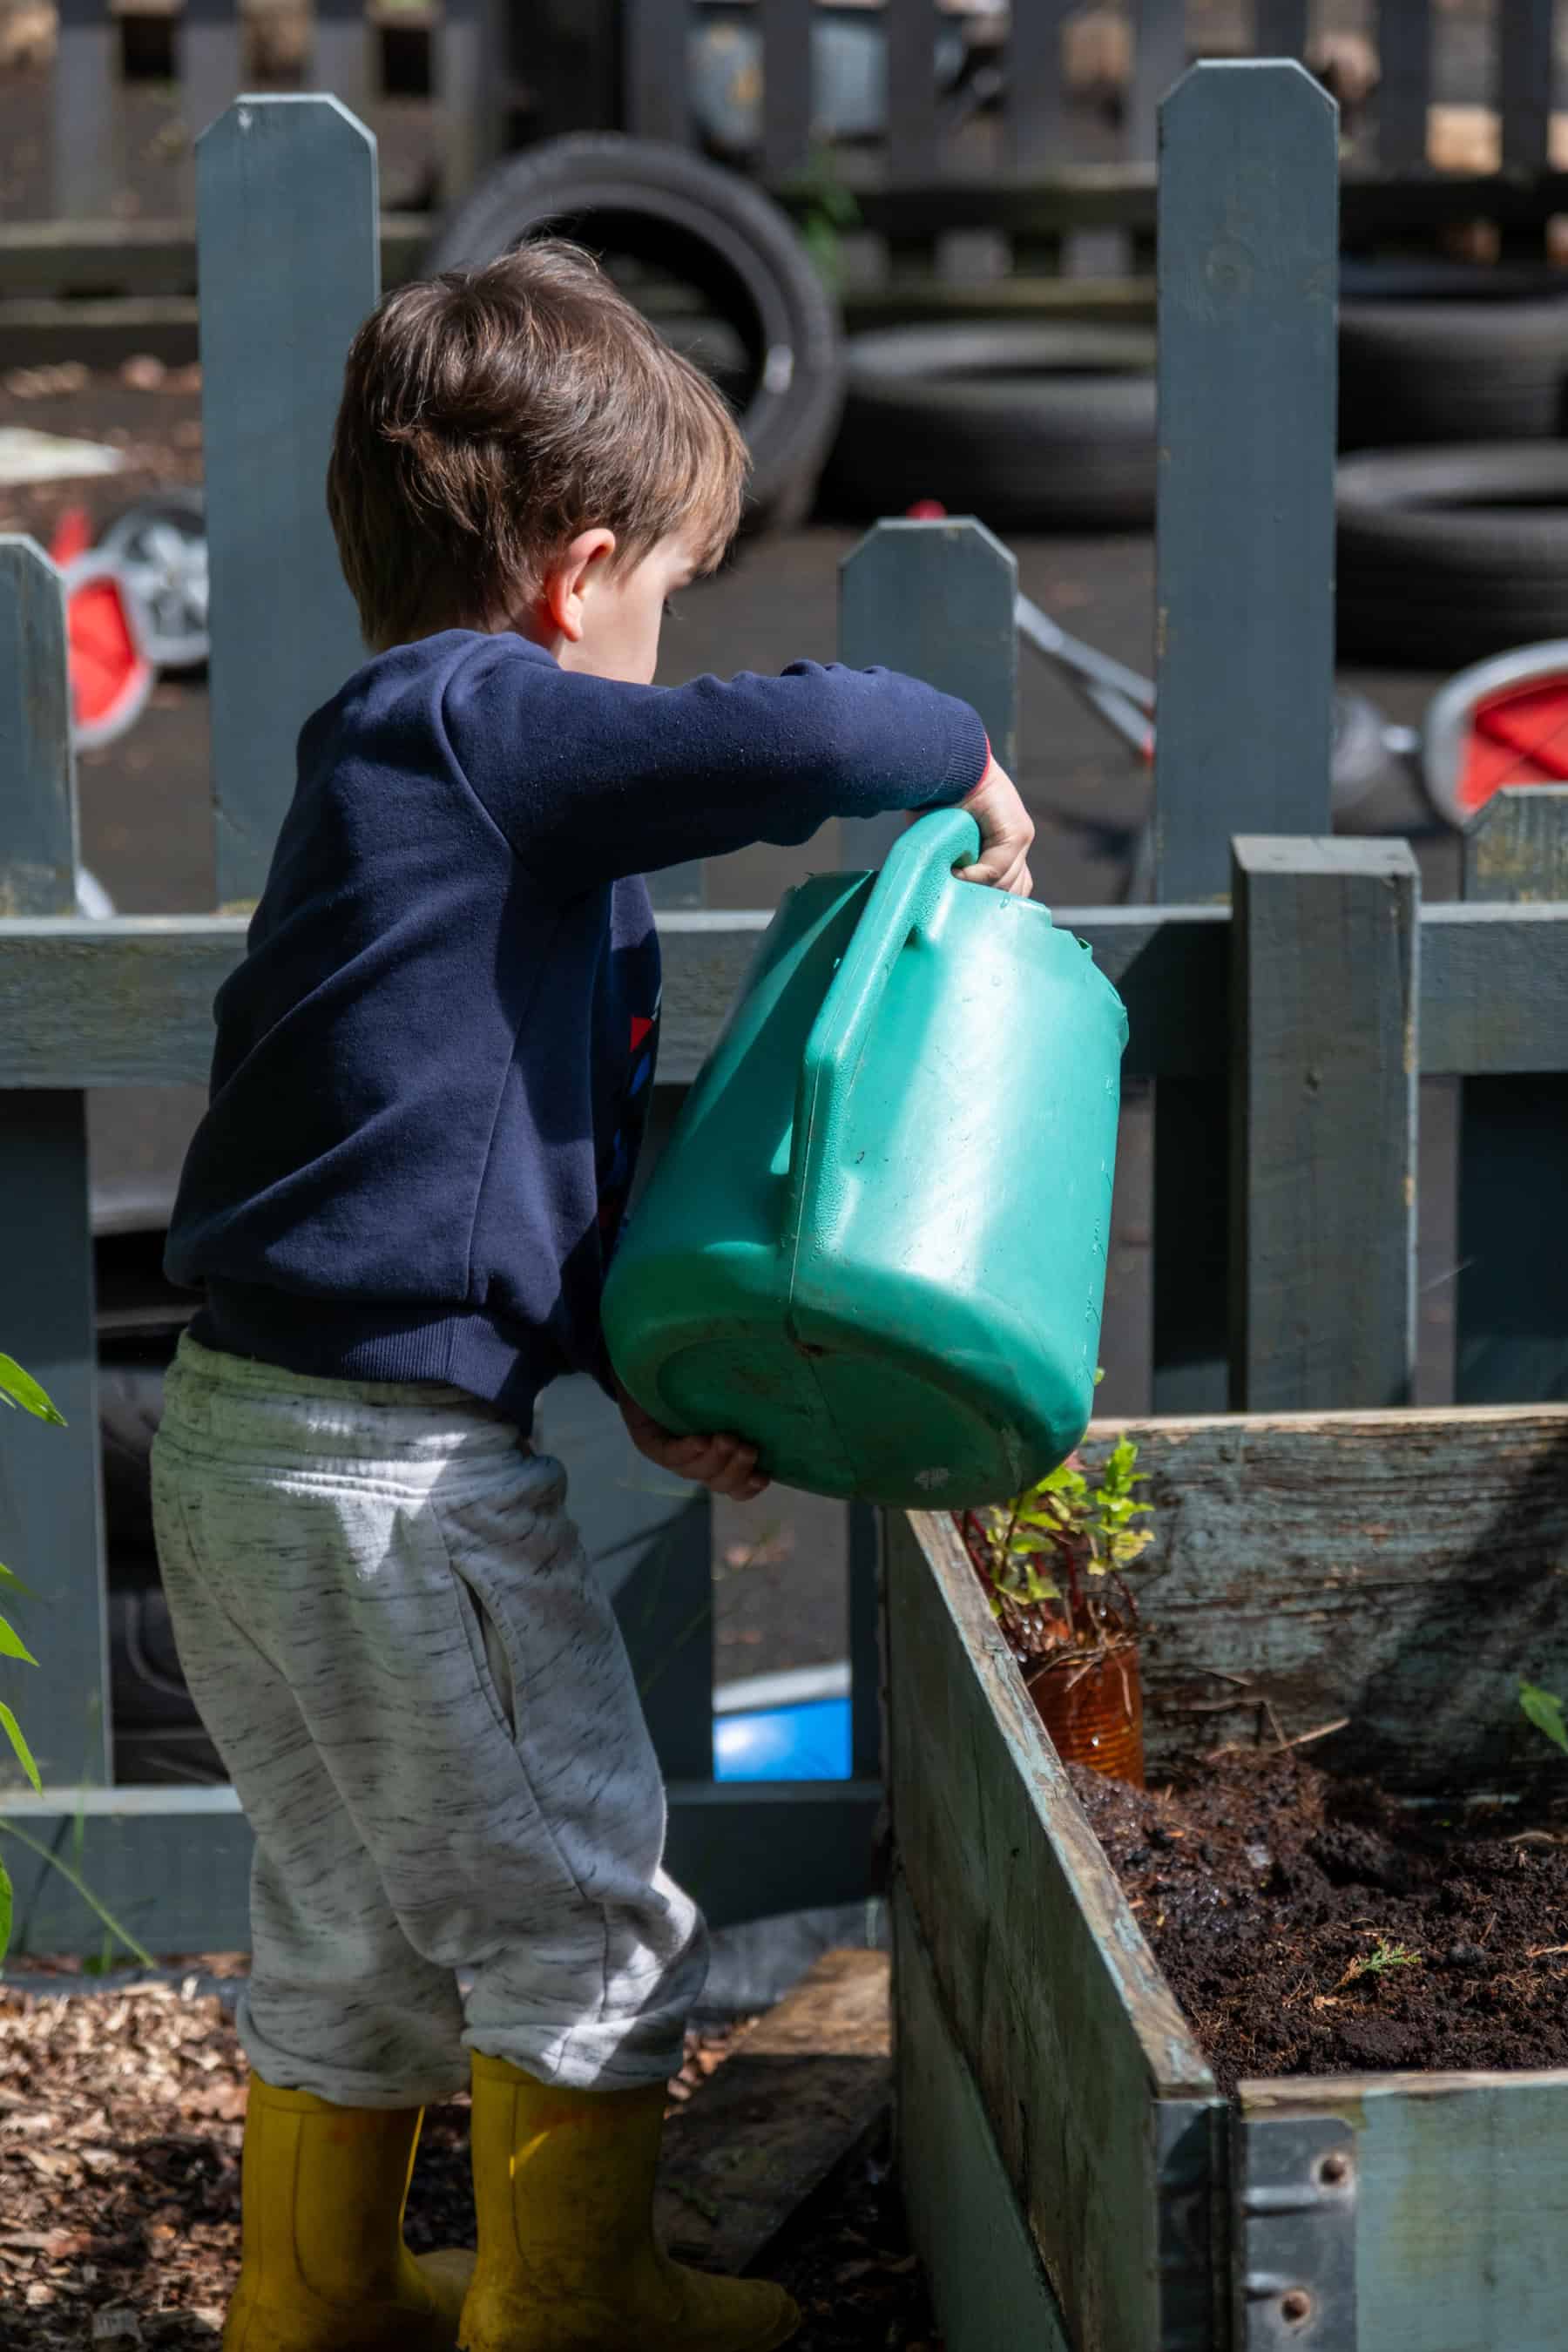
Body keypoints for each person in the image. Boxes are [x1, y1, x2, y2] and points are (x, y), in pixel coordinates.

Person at [151, 238, 1034, 2352]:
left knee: (350, 1914)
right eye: (663, 603)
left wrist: (607, 1369)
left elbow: (432, 1169)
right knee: (580, 1910)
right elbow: (826, 723)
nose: (655, 655)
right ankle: (573, 2310)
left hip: (241, 1442)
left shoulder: (382, 768)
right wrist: (960, 754)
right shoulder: (489, 726)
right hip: (391, 1494)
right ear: (583, 572)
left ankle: (320, 2296)